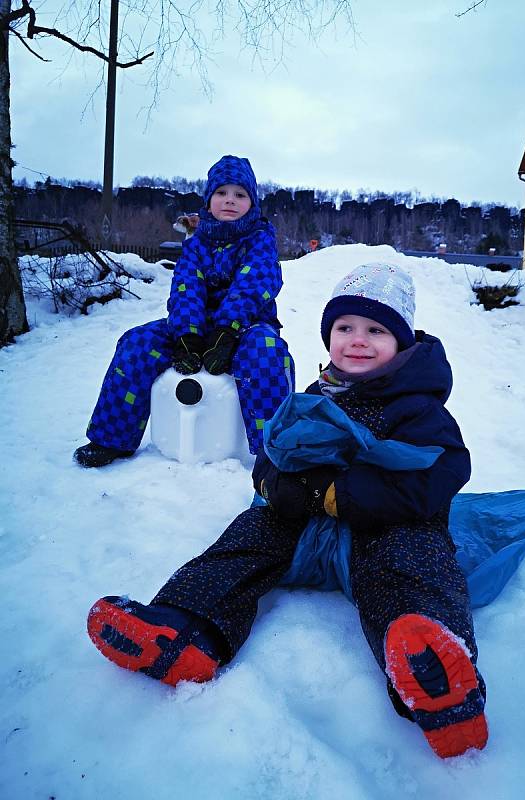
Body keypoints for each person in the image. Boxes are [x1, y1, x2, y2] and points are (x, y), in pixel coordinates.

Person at [86, 262, 488, 759]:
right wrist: (279, 486)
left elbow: (439, 473)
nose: (357, 340)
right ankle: (185, 628)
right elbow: (273, 453)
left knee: (414, 556)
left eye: (376, 330)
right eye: (345, 328)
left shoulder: (419, 407)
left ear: (402, 342)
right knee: (250, 534)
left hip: (385, 522)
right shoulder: (317, 394)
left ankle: (435, 668)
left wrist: (342, 493)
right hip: (309, 522)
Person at [74, 155, 294, 467]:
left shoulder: (260, 237)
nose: (230, 200)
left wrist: (227, 330)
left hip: (246, 326)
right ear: (208, 199)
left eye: (240, 194)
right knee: (137, 342)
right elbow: (186, 287)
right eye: (221, 193)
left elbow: (255, 282)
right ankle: (112, 438)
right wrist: (187, 335)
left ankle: (276, 452)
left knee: (267, 354)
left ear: (252, 201)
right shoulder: (197, 241)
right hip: (197, 326)